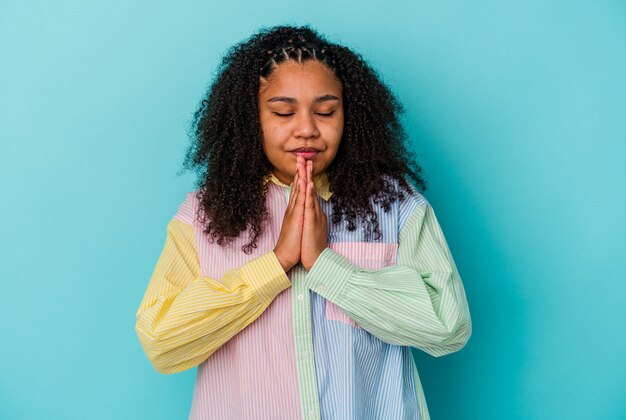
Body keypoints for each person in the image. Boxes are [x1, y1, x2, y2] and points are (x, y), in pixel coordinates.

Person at [135, 24, 471, 420]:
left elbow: (449, 327)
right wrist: (276, 263)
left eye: (326, 111)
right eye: (283, 112)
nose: (308, 128)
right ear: (250, 120)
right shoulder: (202, 216)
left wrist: (325, 265)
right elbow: (162, 342)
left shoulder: (396, 206)